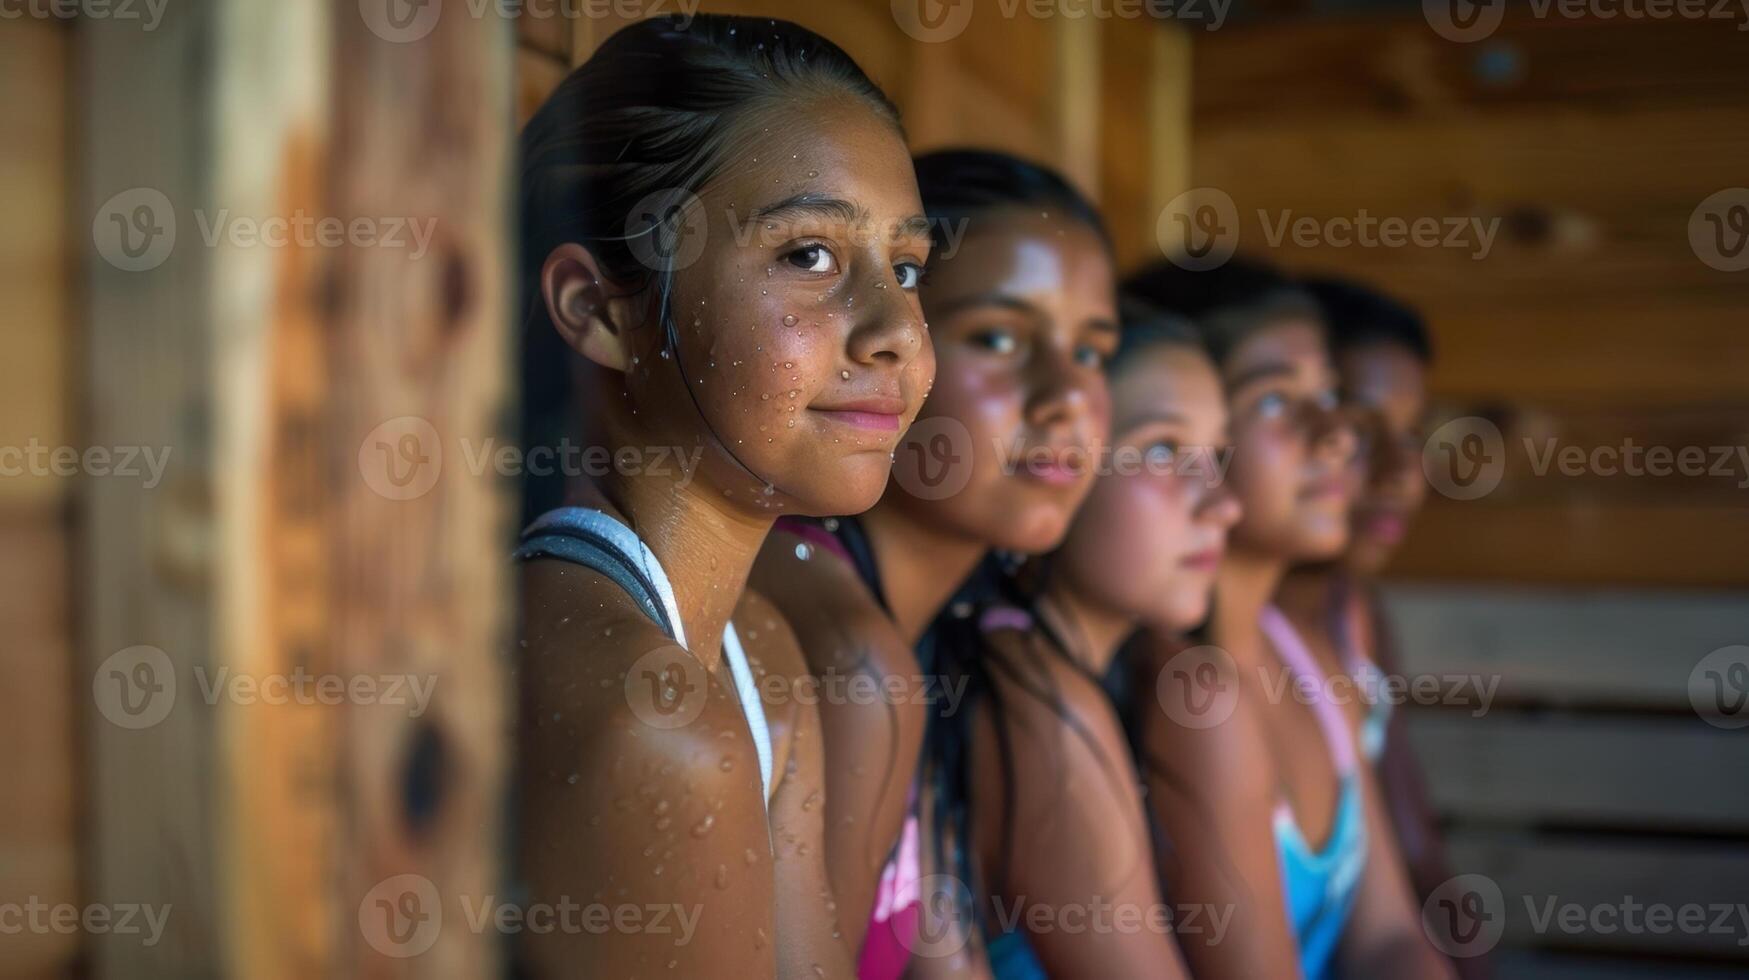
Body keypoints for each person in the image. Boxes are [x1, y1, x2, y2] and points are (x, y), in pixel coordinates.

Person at [514, 16, 933, 977]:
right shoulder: (647, 722)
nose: (894, 332)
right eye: (809, 255)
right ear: (598, 311)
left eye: (906, 268)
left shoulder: (761, 655)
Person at [751, 149, 1117, 979]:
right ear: (887, 346)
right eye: (997, 337)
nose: (1064, 393)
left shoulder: (942, 637)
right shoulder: (835, 643)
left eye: (1092, 352)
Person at [1125, 259, 1455, 980]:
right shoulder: (1182, 689)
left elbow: (1390, 938)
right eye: (1276, 401)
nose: (1337, 434)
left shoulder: (1307, 656)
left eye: (1328, 395)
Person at [910, 306, 1237, 978]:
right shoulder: (1039, 706)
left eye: (1216, 456)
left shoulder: (1119, 674)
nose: (1221, 504)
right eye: (1162, 450)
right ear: (1061, 464)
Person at [1275, 277, 1483, 978]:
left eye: (1412, 435)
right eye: (1363, 432)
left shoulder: (1355, 618)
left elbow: (1417, 849)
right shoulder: (1220, 656)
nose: (1400, 472)